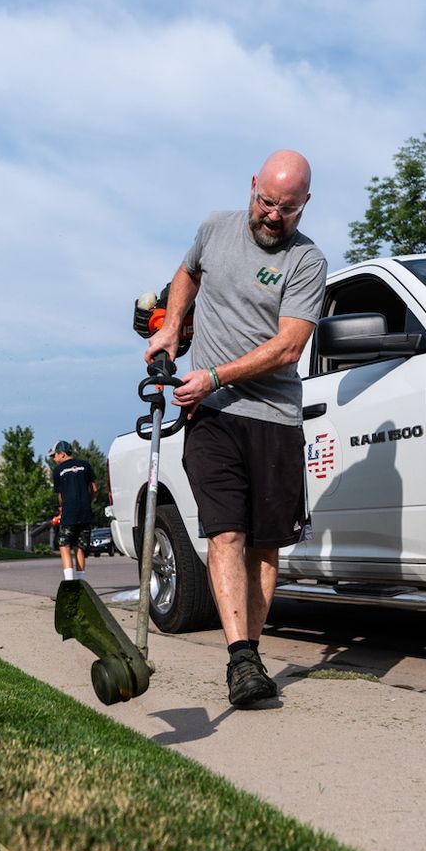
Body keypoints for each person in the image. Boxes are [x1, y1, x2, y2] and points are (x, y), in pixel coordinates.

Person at [144, 149, 327, 706]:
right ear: (252, 187)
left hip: (272, 417)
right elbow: (187, 273)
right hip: (212, 416)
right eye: (266, 202)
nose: (274, 215)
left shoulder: (307, 261)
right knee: (227, 533)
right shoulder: (214, 229)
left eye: (287, 208)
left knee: (264, 548)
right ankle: (242, 662)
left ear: (305, 205)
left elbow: (289, 346)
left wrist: (216, 373)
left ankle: (251, 648)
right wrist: (172, 327)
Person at [49, 441, 97, 580]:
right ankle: (81, 583)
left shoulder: (58, 471)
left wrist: (61, 508)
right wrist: (88, 502)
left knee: (64, 545)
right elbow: (94, 489)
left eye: (55, 455)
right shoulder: (86, 465)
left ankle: (69, 583)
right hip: (85, 513)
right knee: (79, 547)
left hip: (69, 512)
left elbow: (61, 495)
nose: (54, 459)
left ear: (62, 454)